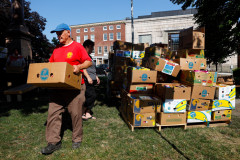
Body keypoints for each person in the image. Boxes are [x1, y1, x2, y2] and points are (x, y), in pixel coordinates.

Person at [41, 23, 92, 155]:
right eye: (56, 33)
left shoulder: (77, 46)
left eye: (60, 33)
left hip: (75, 87)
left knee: (75, 114)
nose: (58, 35)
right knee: (53, 114)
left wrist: (79, 67)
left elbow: (88, 61)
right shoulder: (56, 49)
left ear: (68, 32)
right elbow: (51, 64)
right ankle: (53, 143)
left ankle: (77, 138)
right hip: (58, 87)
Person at [82, 39, 100, 120]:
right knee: (91, 96)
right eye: (92, 47)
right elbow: (83, 68)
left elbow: (93, 68)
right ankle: (84, 112)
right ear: (87, 46)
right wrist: (88, 77)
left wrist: (96, 76)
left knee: (89, 96)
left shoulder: (90, 57)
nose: (93, 49)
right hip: (86, 79)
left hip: (92, 79)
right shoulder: (83, 55)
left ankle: (87, 113)